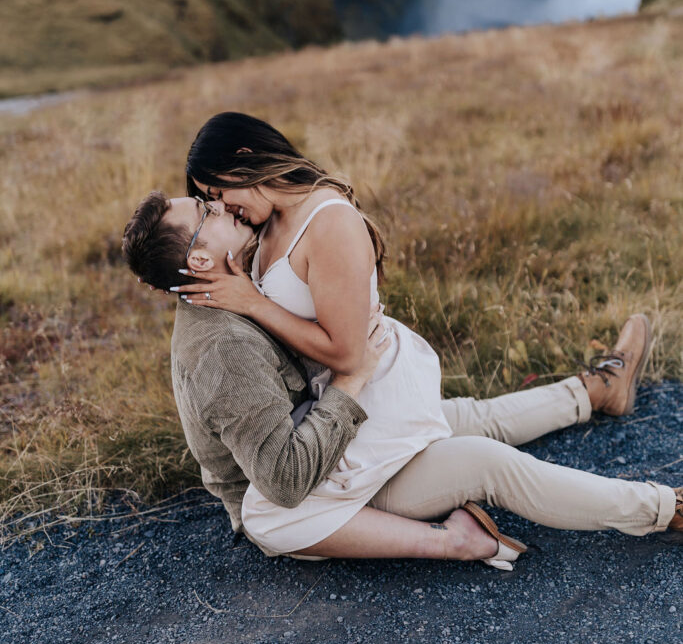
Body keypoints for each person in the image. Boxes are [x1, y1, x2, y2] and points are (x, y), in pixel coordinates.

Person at [122, 189, 683, 570]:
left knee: (463, 416)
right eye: (205, 210)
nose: (220, 203)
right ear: (198, 260)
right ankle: (662, 507)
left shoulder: (232, 290)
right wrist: (354, 374)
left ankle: (594, 391)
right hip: (315, 496)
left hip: (333, 443)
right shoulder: (220, 349)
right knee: (485, 463)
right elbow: (284, 481)